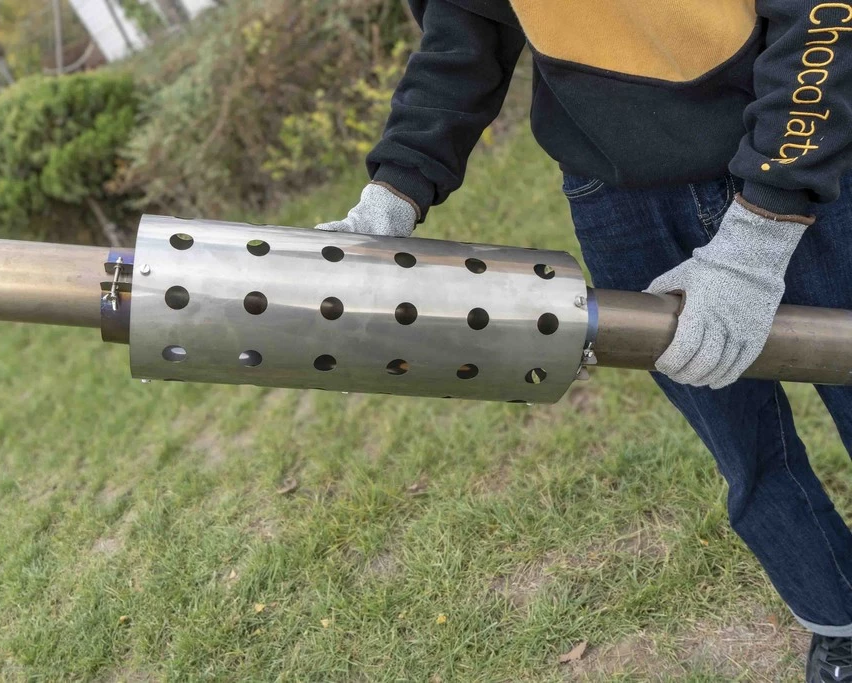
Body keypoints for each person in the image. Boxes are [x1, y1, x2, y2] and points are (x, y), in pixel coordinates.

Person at [315, 1, 852, 680]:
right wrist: (394, 190)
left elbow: (821, 12)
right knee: (743, 445)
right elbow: (463, 34)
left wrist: (764, 226)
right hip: (618, 195)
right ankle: (837, 619)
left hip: (792, 133)